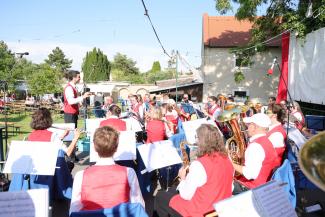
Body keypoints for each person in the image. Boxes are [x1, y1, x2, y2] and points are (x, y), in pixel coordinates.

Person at [155, 124, 234, 217]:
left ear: (202, 141)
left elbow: (186, 195)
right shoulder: (227, 158)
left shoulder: (199, 164)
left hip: (201, 211)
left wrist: (182, 178)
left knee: (160, 197)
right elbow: (231, 187)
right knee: (171, 191)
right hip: (220, 206)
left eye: (197, 137)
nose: (196, 141)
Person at [69, 126, 144, 213]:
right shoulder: (129, 172)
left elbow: (74, 209)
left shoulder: (80, 175)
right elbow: (138, 205)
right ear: (116, 148)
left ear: (94, 147)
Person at [232, 113, 278, 194]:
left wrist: (230, 163)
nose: (247, 127)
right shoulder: (266, 141)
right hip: (264, 185)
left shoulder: (255, 146)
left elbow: (250, 174)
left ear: (254, 127)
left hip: (252, 189)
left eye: (249, 125)